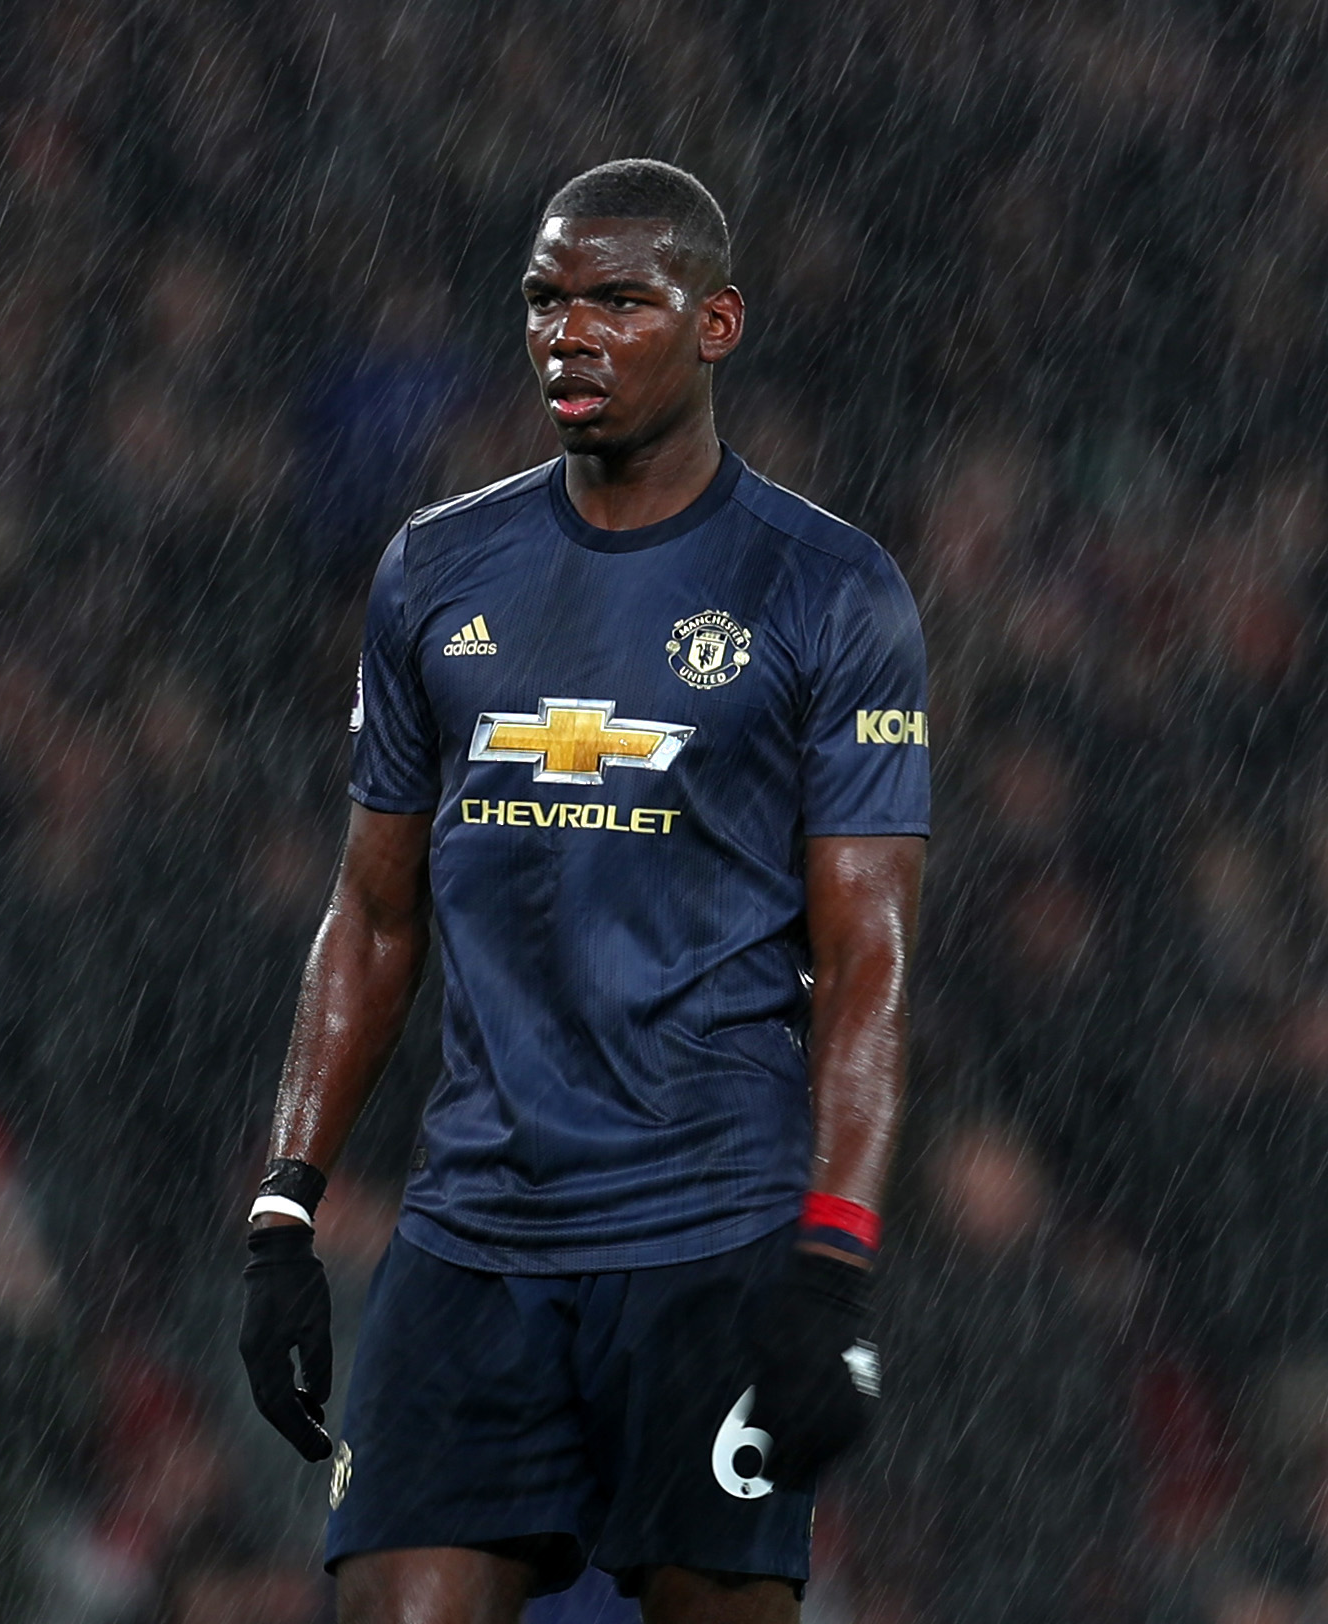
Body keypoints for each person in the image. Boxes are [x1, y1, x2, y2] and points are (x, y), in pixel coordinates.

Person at [234, 158, 929, 1624]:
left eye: (622, 299)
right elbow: (372, 914)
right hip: (475, 1237)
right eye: (549, 300)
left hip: (713, 1242)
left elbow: (868, 952)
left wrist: (837, 1262)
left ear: (718, 321)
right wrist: (286, 1209)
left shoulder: (827, 591)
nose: (573, 333)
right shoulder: (435, 573)